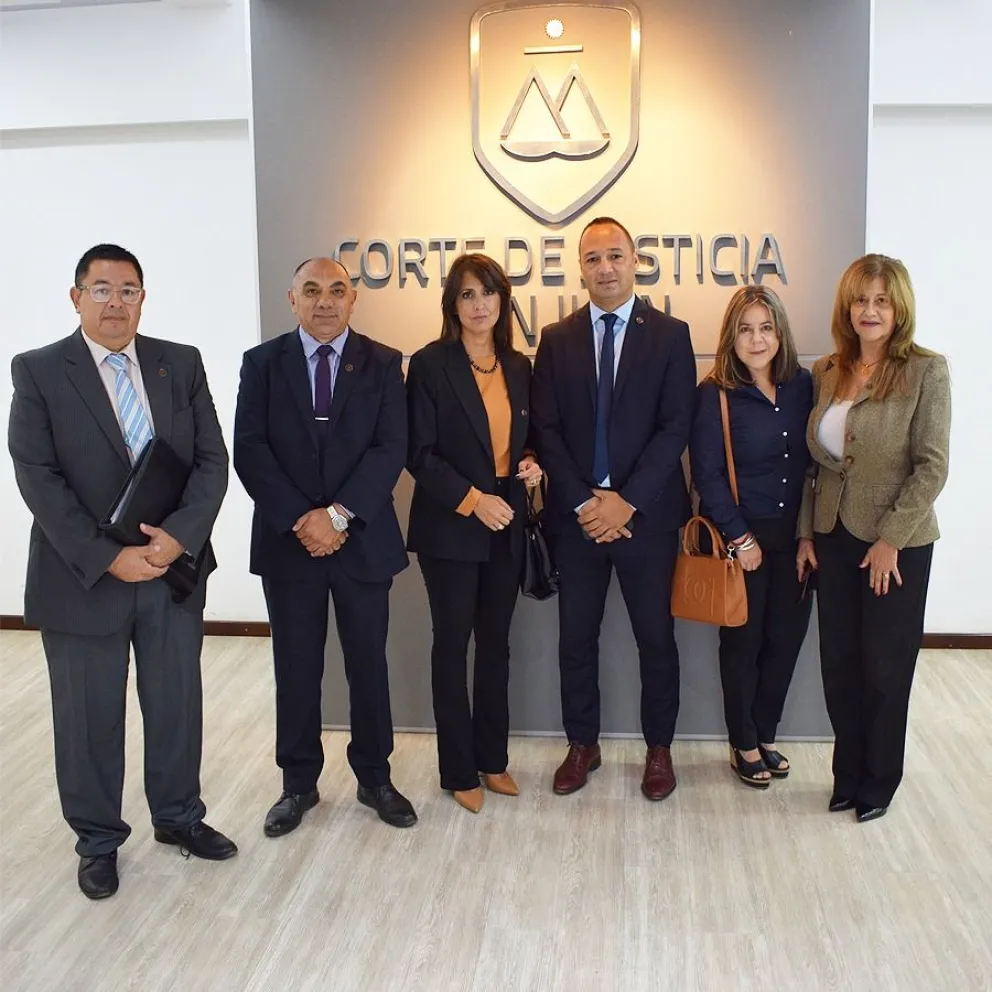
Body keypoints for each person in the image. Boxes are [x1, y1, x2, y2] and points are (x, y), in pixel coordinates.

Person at [7, 244, 236, 900]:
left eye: (128, 289)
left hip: (170, 573)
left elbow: (211, 462)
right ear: (75, 297)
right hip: (82, 579)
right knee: (88, 718)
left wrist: (176, 542)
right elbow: (38, 478)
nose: (116, 302)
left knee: (175, 705)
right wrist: (110, 556)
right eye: (101, 289)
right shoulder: (41, 371)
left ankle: (178, 818)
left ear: (144, 298)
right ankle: (99, 840)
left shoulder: (179, 364)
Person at [234, 256, 416, 834]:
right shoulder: (262, 364)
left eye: (337, 290)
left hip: (360, 539)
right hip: (290, 546)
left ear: (353, 297)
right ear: (292, 299)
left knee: (368, 663)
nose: (325, 301)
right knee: (295, 665)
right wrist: (302, 520)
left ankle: (375, 778)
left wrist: (336, 516)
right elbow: (250, 450)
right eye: (311, 290)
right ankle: (297, 785)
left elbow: (391, 448)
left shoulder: (385, 363)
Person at [531, 217, 697, 800]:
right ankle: (583, 744)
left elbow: (676, 427)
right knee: (576, 637)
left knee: (656, 637)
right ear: (581, 267)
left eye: (615, 256)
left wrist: (625, 502)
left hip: (645, 518)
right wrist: (583, 501)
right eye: (594, 258)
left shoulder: (672, 335)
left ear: (635, 261)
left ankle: (659, 749)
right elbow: (546, 429)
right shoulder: (557, 338)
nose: (605, 268)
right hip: (577, 520)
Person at [796, 254, 950, 823]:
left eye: (881, 300)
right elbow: (818, 467)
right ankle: (847, 776)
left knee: (884, 669)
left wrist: (889, 539)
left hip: (896, 545)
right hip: (833, 536)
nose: (869, 310)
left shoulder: (926, 372)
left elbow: (931, 468)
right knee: (838, 664)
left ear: (898, 307)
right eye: (861, 299)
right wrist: (807, 534)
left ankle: (879, 782)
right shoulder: (828, 371)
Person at [406, 254, 543, 814]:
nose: (479, 304)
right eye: (467, 295)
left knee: (496, 647)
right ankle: (457, 769)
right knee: (451, 645)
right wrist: (472, 500)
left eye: (488, 293)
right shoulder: (431, 364)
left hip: (507, 521)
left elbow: (522, 441)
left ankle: (492, 759)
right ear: (452, 304)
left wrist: (532, 464)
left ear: (502, 301)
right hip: (452, 527)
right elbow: (420, 452)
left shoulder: (518, 366)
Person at [689, 286, 814, 788]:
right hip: (743, 538)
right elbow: (707, 474)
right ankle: (742, 741)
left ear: (780, 333)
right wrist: (741, 539)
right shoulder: (714, 393)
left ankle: (765, 733)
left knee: (785, 641)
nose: (757, 339)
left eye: (766, 327)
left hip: (797, 536)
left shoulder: (804, 385)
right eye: (746, 328)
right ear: (731, 337)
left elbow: (813, 466)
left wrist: (807, 536)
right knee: (743, 643)